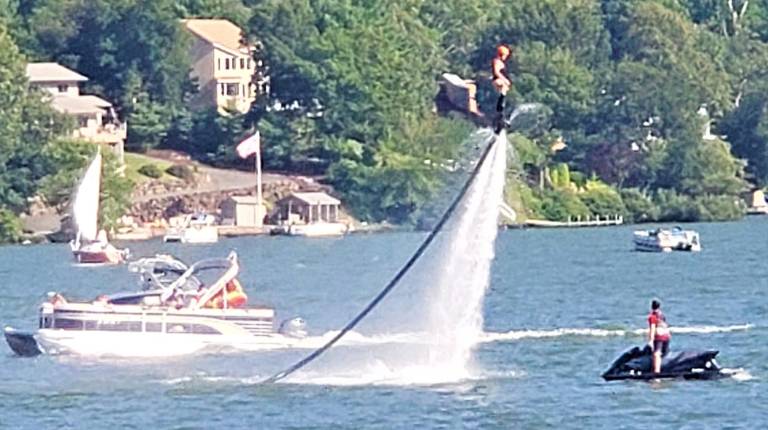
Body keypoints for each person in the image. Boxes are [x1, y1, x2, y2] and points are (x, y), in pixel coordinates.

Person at [491, 44, 513, 132]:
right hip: (497, 81)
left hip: (499, 81)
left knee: (505, 95)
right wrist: (504, 80)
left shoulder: (500, 62)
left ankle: (501, 117)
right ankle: (500, 109)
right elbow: (496, 72)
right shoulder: (497, 61)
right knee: (503, 89)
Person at [647, 299, 671, 373]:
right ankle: (666, 367)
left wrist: (651, 340)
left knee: (657, 354)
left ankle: (657, 371)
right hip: (666, 335)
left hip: (659, 336)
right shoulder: (662, 315)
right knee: (664, 353)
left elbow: (653, 328)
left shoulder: (652, 316)